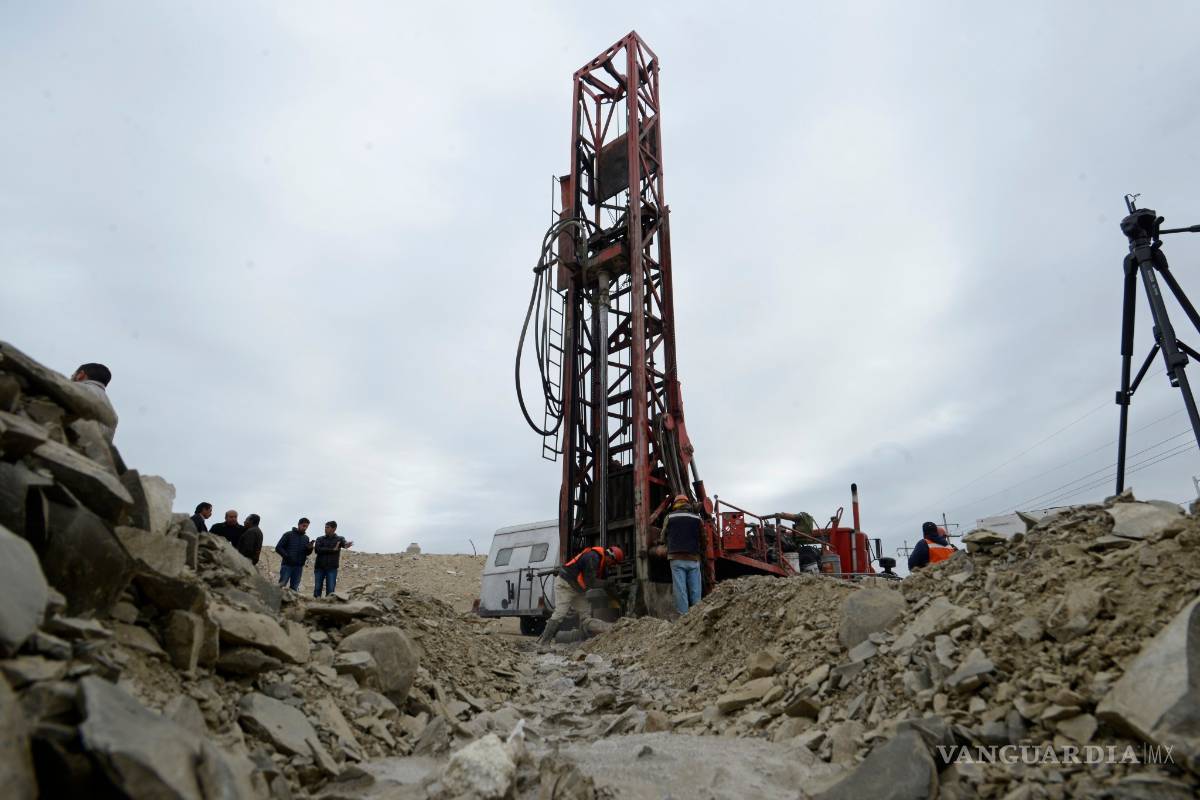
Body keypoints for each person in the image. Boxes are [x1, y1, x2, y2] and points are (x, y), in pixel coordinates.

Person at [537, 544, 624, 649]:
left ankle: (610, 629)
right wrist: (608, 584)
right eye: (613, 563)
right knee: (560, 613)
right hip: (566, 585)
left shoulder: (601, 563)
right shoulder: (593, 557)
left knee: (586, 617)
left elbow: (604, 585)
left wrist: (618, 598)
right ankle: (544, 645)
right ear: (610, 557)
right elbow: (591, 582)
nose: (612, 566)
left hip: (578, 590)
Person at [659, 494, 703, 616]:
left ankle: (683, 617)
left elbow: (662, 537)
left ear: (675, 504)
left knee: (680, 589)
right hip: (693, 558)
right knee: (695, 590)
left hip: (676, 558)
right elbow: (704, 538)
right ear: (688, 503)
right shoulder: (697, 518)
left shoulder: (670, 517)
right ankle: (697, 616)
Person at [70, 362, 118, 434]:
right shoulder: (112, 413)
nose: (70, 378)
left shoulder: (74, 389)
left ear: (80, 375)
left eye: (72, 375)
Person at [313, 521, 354, 598]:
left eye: (327, 527)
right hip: (319, 567)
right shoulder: (320, 539)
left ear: (334, 529)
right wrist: (332, 550)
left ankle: (329, 607)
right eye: (325, 527)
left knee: (331, 590)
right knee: (317, 589)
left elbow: (344, 543)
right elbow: (317, 550)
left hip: (332, 568)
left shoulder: (339, 539)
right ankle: (315, 605)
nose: (325, 529)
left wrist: (346, 545)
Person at [275, 518, 314, 591]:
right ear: (299, 524)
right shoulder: (288, 534)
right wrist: (287, 557)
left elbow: (307, 553)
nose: (305, 528)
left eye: (306, 527)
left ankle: (290, 602)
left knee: (294, 589)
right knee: (281, 587)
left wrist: (310, 548)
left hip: (298, 567)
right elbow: (278, 548)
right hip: (287, 565)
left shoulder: (306, 538)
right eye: (303, 526)